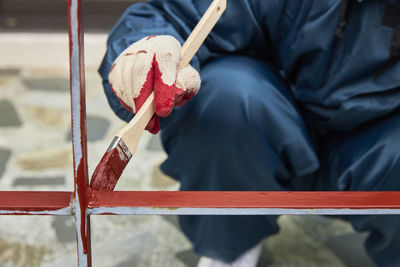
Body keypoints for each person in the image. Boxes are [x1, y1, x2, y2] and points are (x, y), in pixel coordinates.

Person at [99, 0, 400, 266]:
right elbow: (179, 13)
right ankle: (230, 247)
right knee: (224, 99)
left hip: (382, 153)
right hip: (271, 129)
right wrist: (145, 51)